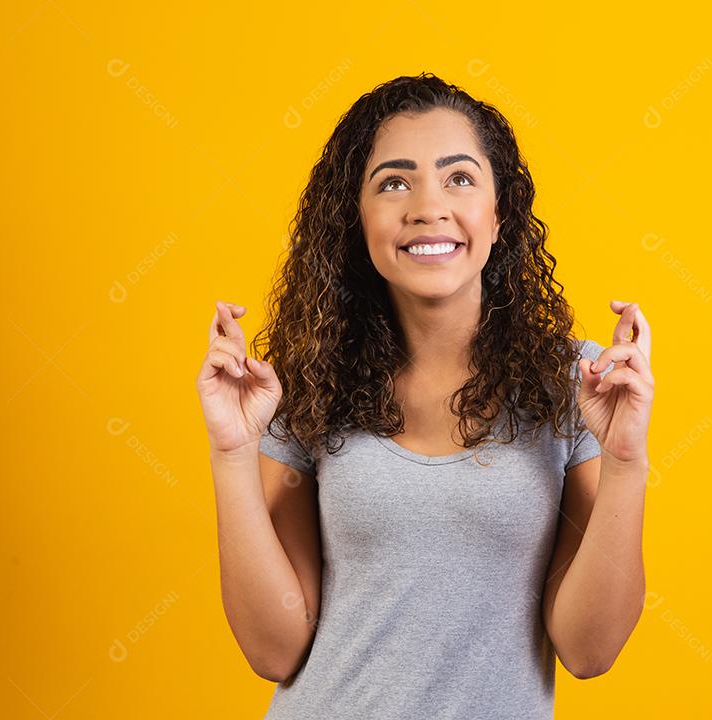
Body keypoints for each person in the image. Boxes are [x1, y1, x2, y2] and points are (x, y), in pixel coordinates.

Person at [196, 72, 655, 719]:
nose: (427, 206)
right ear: (358, 219)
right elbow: (274, 650)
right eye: (393, 183)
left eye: (459, 177)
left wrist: (626, 461)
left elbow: (589, 650)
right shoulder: (309, 382)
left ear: (499, 214)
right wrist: (232, 453)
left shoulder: (575, 383)